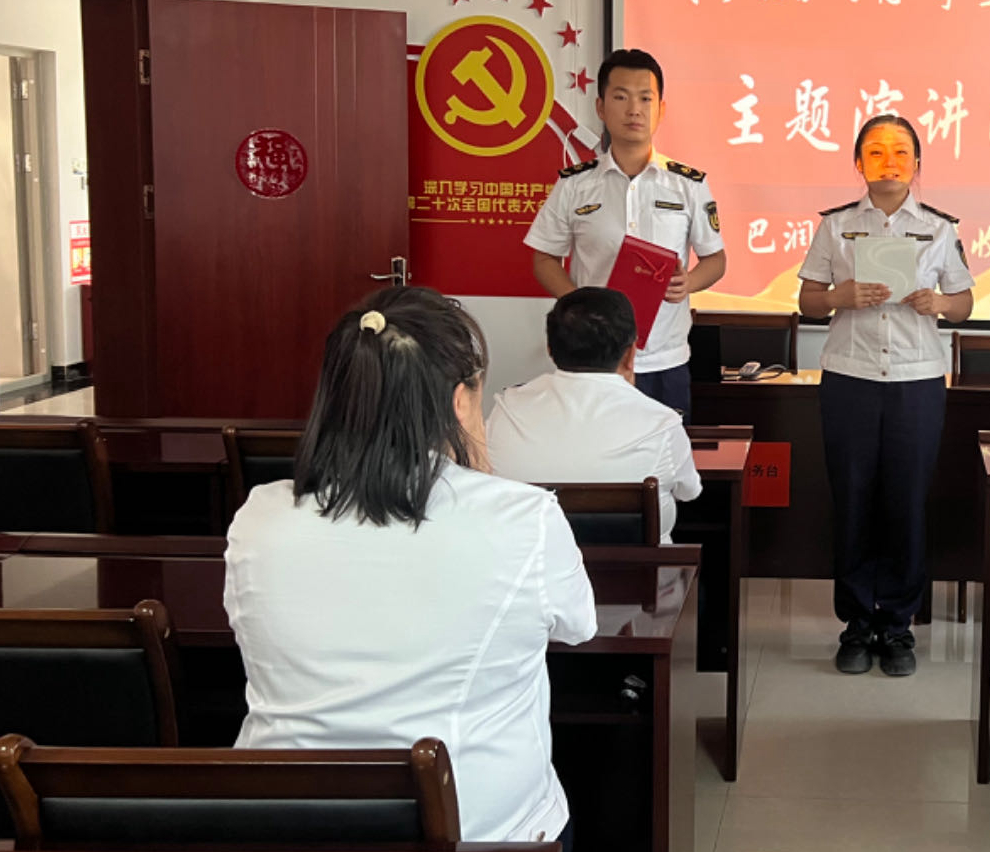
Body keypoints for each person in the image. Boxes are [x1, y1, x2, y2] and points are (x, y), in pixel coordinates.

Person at [223, 287, 598, 846]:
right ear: (459, 402)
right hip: (481, 829)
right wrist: (484, 484)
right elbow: (578, 626)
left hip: (283, 825)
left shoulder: (259, 517)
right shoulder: (526, 519)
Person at [797, 114, 975, 678]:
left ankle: (897, 625)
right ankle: (856, 623)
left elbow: (964, 303)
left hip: (916, 379)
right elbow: (807, 300)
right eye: (875, 151)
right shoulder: (836, 226)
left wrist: (939, 304)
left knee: (906, 500)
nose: (889, 160)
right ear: (859, 163)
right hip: (849, 376)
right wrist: (839, 296)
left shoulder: (939, 228)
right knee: (852, 499)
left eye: (901, 151)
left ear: (917, 163)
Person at [525, 48, 726, 420]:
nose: (634, 109)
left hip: (664, 358)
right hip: (592, 360)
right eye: (621, 97)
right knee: (593, 453)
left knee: (663, 454)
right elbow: (544, 258)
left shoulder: (688, 185)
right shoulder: (574, 185)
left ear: (661, 109)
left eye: (645, 98)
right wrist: (580, 303)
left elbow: (715, 260)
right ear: (601, 108)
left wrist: (690, 282)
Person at [487, 286, 702, 542]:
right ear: (631, 353)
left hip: (532, 564)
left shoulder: (505, 410)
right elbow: (689, 491)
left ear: (550, 349)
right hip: (635, 568)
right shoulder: (661, 424)